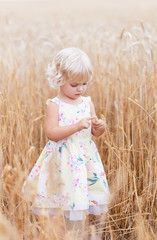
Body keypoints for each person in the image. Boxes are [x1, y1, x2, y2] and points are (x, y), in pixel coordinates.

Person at [22, 47, 110, 238]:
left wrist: (99, 127)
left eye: (85, 83)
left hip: (84, 160)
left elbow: (94, 132)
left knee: (82, 200)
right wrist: (76, 126)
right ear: (59, 80)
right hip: (63, 162)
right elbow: (51, 133)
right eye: (74, 84)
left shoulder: (87, 103)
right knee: (65, 200)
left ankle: (81, 234)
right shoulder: (55, 105)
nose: (80, 89)